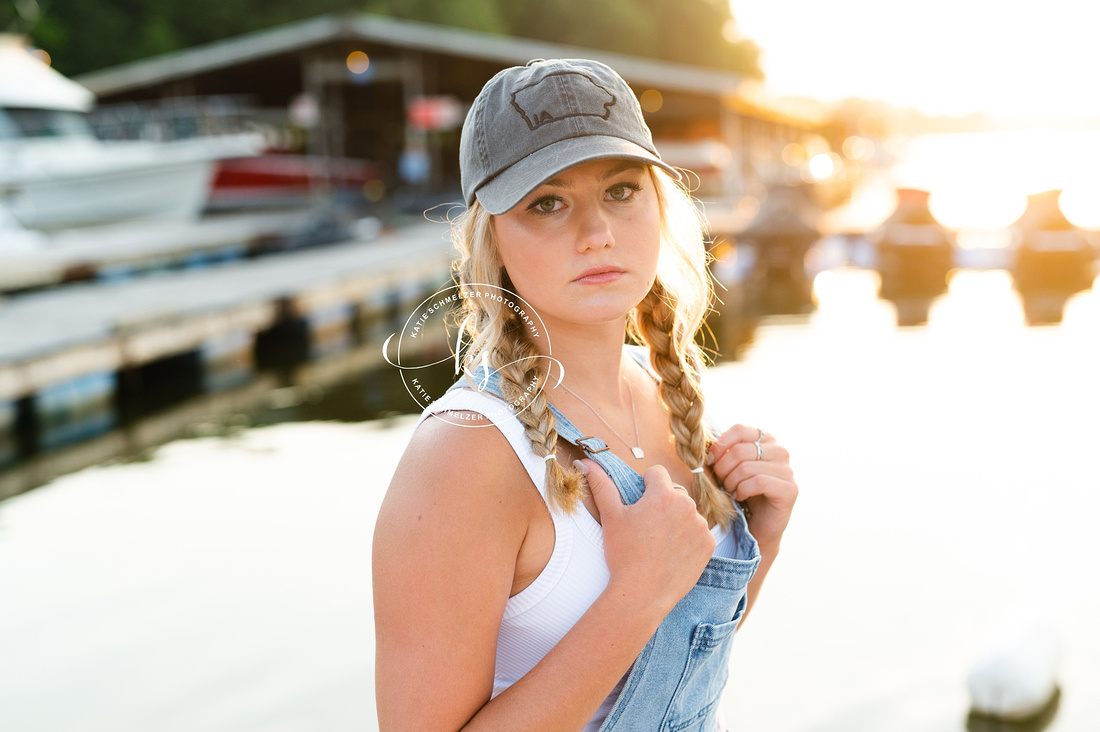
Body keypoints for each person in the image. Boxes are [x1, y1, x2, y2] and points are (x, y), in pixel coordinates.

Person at [373, 58, 798, 731]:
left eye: (621, 190)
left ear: (660, 202)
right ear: (494, 237)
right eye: (548, 201)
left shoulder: (664, 388)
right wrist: (635, 595)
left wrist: (762, 539)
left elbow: (676, 675)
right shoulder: (467, 452)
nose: (596, 232)